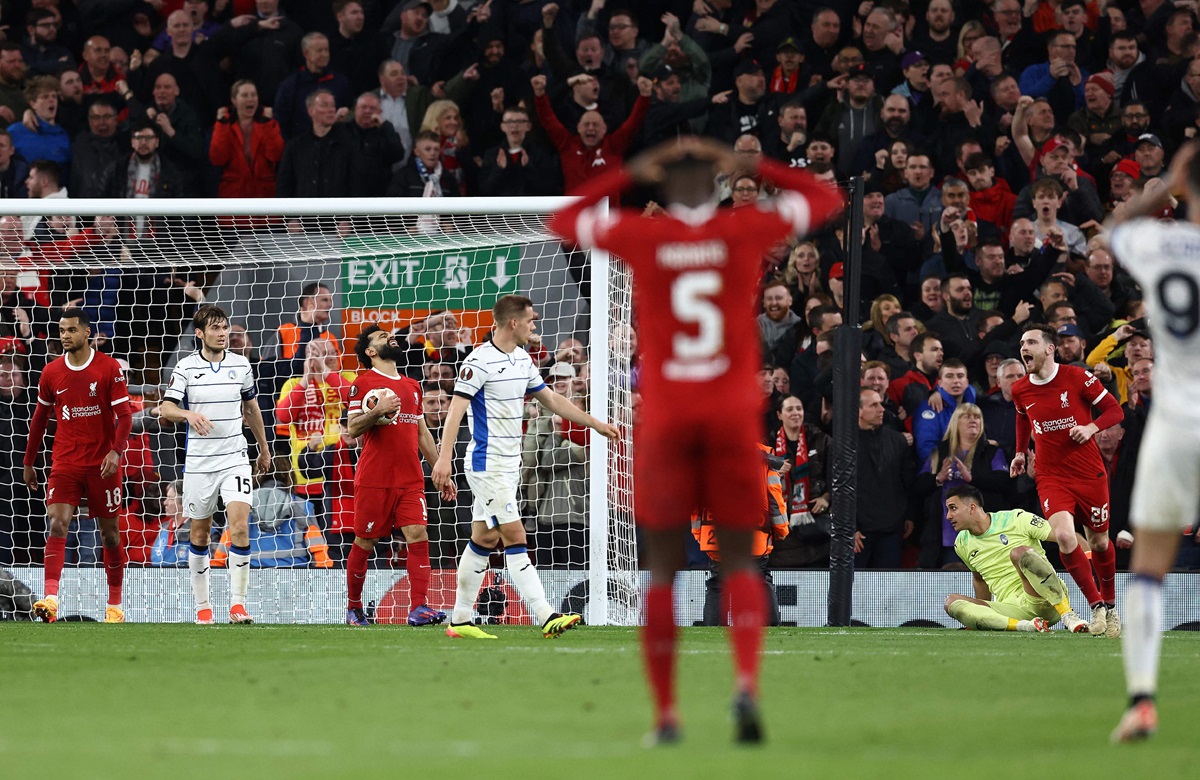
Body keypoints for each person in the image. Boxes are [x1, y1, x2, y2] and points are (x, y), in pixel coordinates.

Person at [546, 136, 842, 744]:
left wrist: (630, 172)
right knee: (741, 562)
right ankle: (745, 686)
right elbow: (822, 194)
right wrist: (751, 166)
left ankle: (666, 716)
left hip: (669, 416)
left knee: (660, 573)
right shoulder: (743, 230)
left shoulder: (645, 237)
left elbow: (565, 218)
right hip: (732, 416)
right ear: (717, 184)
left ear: (661, 185)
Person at [431, 295, 618, 640]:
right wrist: (443, 458)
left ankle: (459, 620)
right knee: (516, 537)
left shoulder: (521, 360)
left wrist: (595, 423)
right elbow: (455, 412)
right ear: (513, 322)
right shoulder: (478, 362)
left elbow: (553, 399)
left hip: (509, 466)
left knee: (484, 538)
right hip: (486, 465)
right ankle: (547, 615)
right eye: (531, 321)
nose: (534, 327)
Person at [1107, 144, 1200, 742]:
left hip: (1175, 422)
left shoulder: (1163, 245)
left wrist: (1167, 182)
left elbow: (1116, 228)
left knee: (1147, 572)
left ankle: (1142, 699)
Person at [157, 305, 272, 624]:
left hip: (235, 458)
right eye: (216, 329)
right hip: (199, 463)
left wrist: (263, 448)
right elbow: (165, 408)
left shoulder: (241, 364)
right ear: (200, 333)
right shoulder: (186, 367)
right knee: (200, 533)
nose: (223, 334)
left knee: (239, 526)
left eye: (225, 328)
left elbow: (251, 409)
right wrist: (188, 414)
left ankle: (237, 605)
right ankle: (203, 607)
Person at [1010, 322, 1125, 636]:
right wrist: (1020, 453)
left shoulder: (1076, 377)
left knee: (1100, 542)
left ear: (1050, 348)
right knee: (1063, 536)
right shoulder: (1020, 388)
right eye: (1022, 343)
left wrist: (1090, 429)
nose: (1024, 348)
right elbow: (1022, 417)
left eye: (1031, 342)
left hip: (1089, 474)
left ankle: (1111, 604)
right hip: (1051, 475)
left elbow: (1115, 411)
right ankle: (1096, 605)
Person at [343, 325, 456, 627]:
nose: (389, 338)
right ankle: (354, 608)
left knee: (418, 534)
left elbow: (422, 433)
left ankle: (418, 607)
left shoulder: (412, 386)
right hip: (374, 478)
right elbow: (352, 429)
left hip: (410, 479)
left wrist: (440, 469)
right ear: (370, 351)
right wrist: (376, 411)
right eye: (381, 337)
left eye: (388, 336)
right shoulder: (363, 383)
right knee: (366, 541)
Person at [24, 309, 133, 623]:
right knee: (57, 523)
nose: (65, 336)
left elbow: (125, 417)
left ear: (87, 333)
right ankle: (50, 600)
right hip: (66, 461)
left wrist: (115, 452)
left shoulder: (108, 368)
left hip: (102, 464)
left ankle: (114, 606)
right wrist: (29, 461)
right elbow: (40, 420)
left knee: (110, 534)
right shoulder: (51, 372)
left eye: (71, 330)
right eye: (61, 330)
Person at [943, 485, 1083, 632]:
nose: (948, 516)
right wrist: (977, 616)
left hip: (1045, 599)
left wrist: (1091, 571)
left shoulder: (1016, 519)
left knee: (1019, 553)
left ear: (972, 508)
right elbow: (979, 579)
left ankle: (1067, 614)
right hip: (1011, 610)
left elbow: (1069, 538)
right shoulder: (961, 543)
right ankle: (1025, 626)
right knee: (952, 602)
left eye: (953, 508)